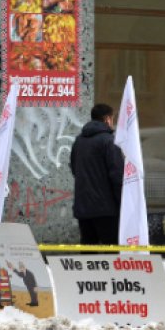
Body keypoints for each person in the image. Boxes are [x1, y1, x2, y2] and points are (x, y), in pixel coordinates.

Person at [69, 103, 124, 246]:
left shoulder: (79, 141)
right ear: (107, 119)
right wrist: (123, 203)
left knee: (88, 250)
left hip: (84, 208)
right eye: (112, 118)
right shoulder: (109, 142)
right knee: (111, 250)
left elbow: (75, 169)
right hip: (106, 209)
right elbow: (117, 176)